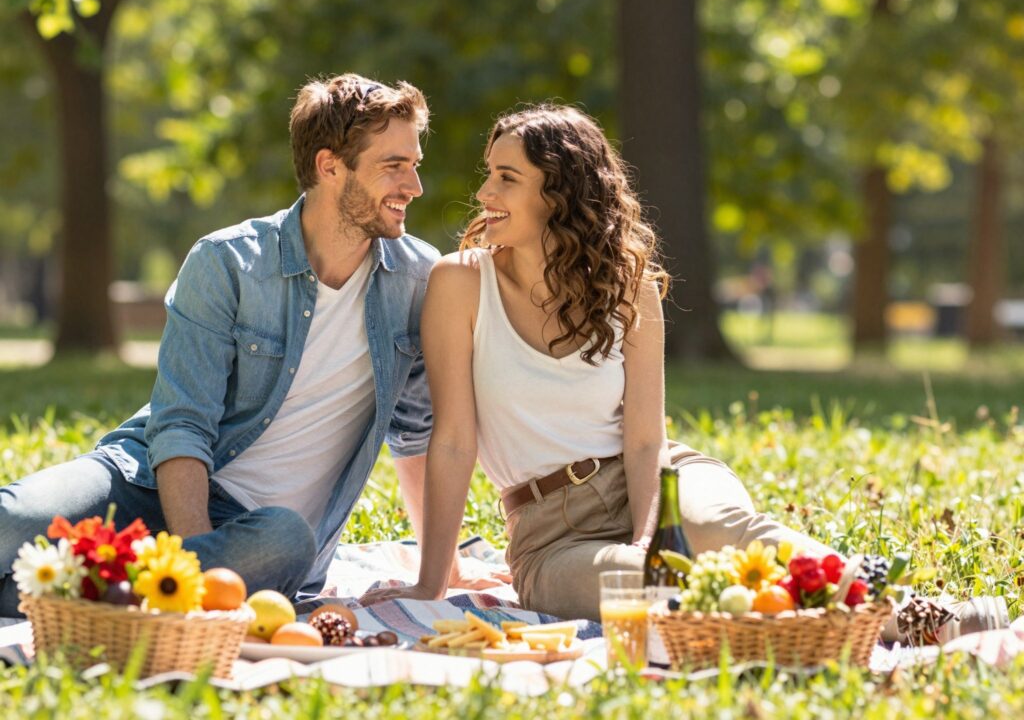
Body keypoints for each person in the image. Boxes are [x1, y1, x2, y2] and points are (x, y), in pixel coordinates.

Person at [359, 104, 1007, 640]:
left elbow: (644, 437)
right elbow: (453, 441)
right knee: (655, 591)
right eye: (489, 175)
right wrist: (429, 583)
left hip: (656, 481)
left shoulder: (627, 286)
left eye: (506, 178)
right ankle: (836, 630)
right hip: (548, 537)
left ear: (556, 196)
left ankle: (919, 617)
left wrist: (652, 536)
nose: (483, 193)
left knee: (734, 537)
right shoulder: (459, 284)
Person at [0, 73, 502, 618]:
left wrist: (442, 571)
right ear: (329, 165)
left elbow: (418, 433)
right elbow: (181, 425)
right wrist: (197, 568)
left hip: (260, 535)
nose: (415, 186)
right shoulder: (227, 263)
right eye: (393, 166)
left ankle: (68, 594)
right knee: (12, 516)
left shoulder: (422, 282)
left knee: (287, 539)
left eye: (415, 164)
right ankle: (117, 594)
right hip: (144, 479)